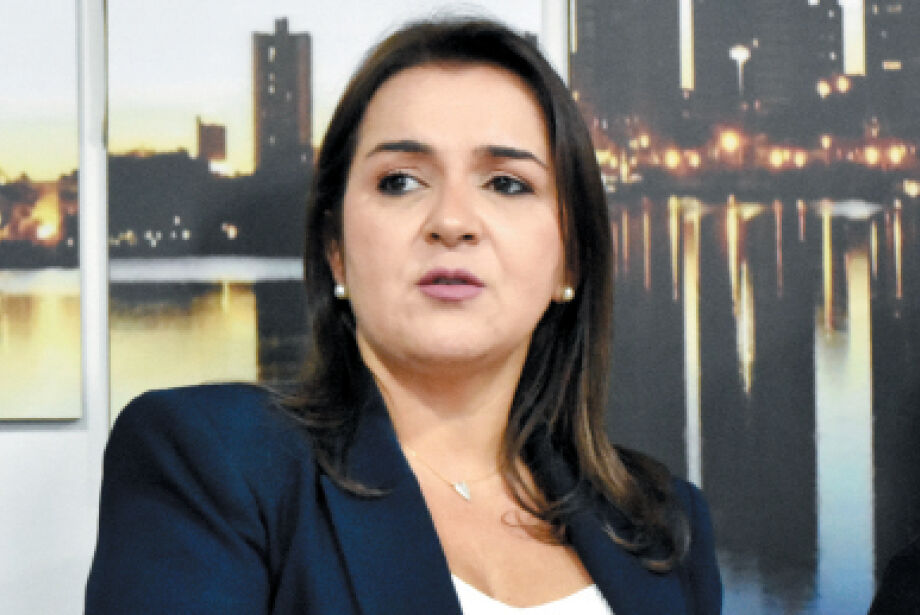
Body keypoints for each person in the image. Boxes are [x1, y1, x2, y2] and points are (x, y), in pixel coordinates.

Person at [85, 18, 721, 614]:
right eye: (400, 181)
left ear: (570, 259)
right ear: (335, 249)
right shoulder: (213, 462)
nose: (451, 221)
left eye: (506, 183)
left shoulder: (662, 524)